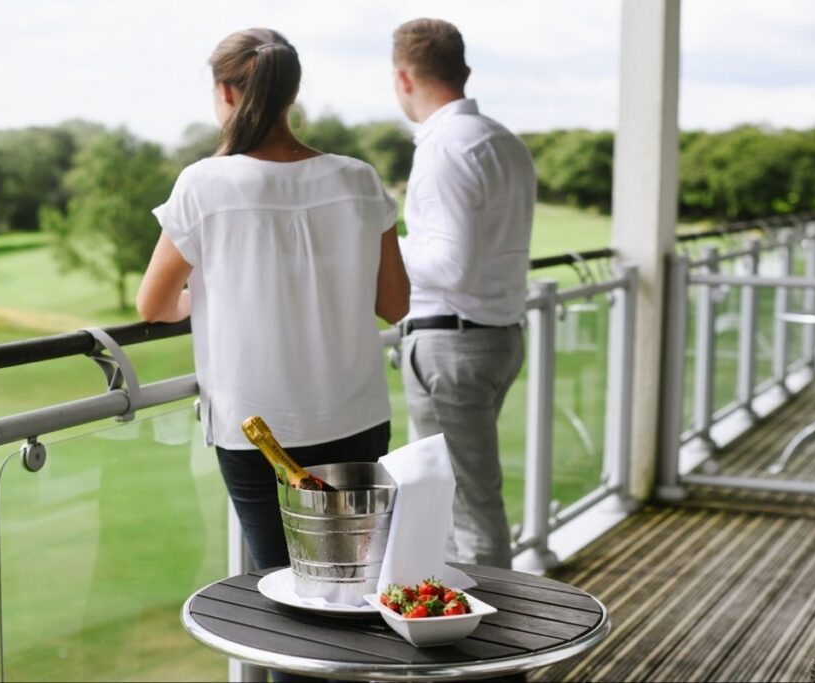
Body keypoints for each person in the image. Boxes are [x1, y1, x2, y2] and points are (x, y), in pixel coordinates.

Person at [136, 28, 410, 575]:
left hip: (257, 427)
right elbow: (395, 303)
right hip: (357, 416)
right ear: (292, 92)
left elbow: (154, 305)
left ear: (226, 92)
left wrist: (207, 299)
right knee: (354, 578)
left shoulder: (203, 185)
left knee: (282, 586)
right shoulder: (359, 180)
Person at [392, 18, 535, 569]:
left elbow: (450, 266)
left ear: (404, 78)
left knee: (466, 508)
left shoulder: (445, 148)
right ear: (464, 72)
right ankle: (465, 608)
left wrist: (381, 247)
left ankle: (495, 623)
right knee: (460, 500)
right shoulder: (505, 142)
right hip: (498, 337)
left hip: (453, 346)